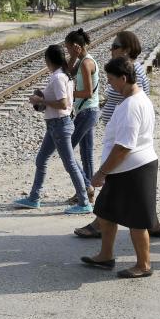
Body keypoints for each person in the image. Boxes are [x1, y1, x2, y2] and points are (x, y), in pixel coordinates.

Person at [74, 31, 160, 239]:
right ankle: (152, 224)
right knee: (129, 193)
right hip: (121, 134)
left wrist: (101, 171)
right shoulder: (122, 70)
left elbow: (136, 105)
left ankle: (101, 226)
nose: (111, 49)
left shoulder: (134, 73)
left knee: (113, 187)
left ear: (127, 49)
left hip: (126, 140)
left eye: (115, 46)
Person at [81, 57, 158, 278]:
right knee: (105, 214)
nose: (109, 84)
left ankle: (144, 265)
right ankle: (106, 256)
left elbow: (124, 146)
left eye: (111, 79)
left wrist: (101, 172)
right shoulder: (136, 98)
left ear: (123, 79)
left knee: (137, 221)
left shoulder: (131, 106)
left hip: (134, 169)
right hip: (125, 169)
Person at [13, 44, 93, 215]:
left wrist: (40, 101)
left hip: (59, 125)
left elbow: (63, 103)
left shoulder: (57, 78)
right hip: (55, 125)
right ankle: (34, 198)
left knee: (70, 164)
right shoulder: (64, 75)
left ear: (48, 60)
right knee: (41, 159)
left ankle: (84, 202)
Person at [66, 28, 99, 205]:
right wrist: (73, 56)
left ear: (77, 46)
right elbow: (68, 71)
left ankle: (86, 187)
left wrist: (69, 93)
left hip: (87, 112)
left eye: (69, 49)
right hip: (87, 112)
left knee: (67, 150)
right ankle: (87, 193)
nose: (68, 52)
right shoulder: (82, 61)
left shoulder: (86, 63)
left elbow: (87, 92)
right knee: (86, 154)